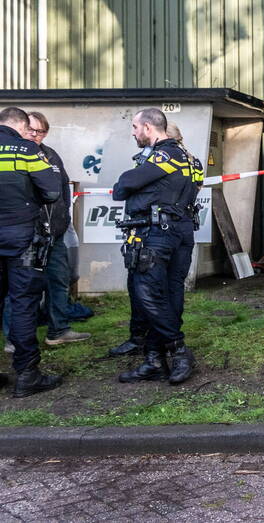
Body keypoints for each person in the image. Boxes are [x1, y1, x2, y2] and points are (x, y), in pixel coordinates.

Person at [112, 108, 203, 384]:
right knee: (170, 294)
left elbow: (123, 186)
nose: (133, 132)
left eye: (135, 127)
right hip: (180, 231)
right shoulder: (190, 158)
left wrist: (132, 186)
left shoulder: (165, 155)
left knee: (147, 295)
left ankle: (178, 349)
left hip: (158, 234)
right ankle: (154, 358)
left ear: (149, 128)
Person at [0, 106, 64, 397]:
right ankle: (27, 375)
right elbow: (52, 191)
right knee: (24, 303)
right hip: (22, 237)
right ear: (21, 126)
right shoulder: (25, 150)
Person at [24, 112, 92, 347]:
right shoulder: (15, 154)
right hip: (27, 234)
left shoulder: (51, 155)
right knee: (23, 286)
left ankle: (58, 330)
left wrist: (62, 222)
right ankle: (16, 339)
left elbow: (64, 188)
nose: (35, 135)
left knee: (59, 281)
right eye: (31, 130)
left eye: (41, 131)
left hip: (55, 232)